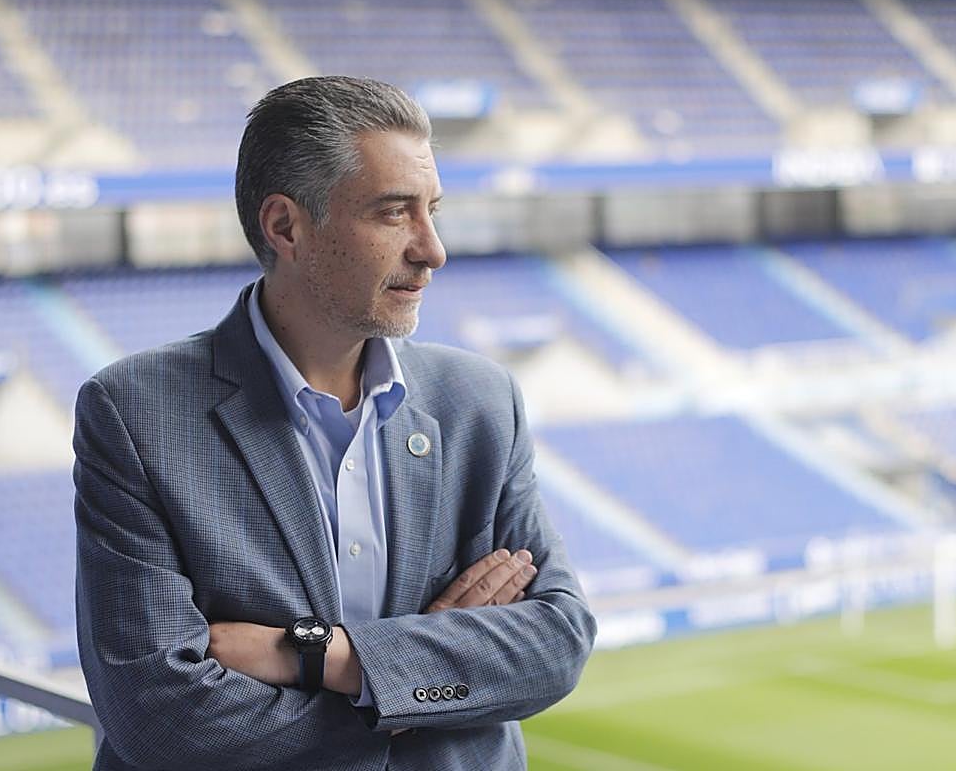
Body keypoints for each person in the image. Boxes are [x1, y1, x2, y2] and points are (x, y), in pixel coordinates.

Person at [73, 76, 595, 771]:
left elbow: (555, 642)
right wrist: (411, 694)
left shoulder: (479, 402)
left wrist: (321, 656)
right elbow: (161, 716)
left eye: (432, 210)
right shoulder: (136, 414)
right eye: (393, 213)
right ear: (285, 226)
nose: (432, 249)